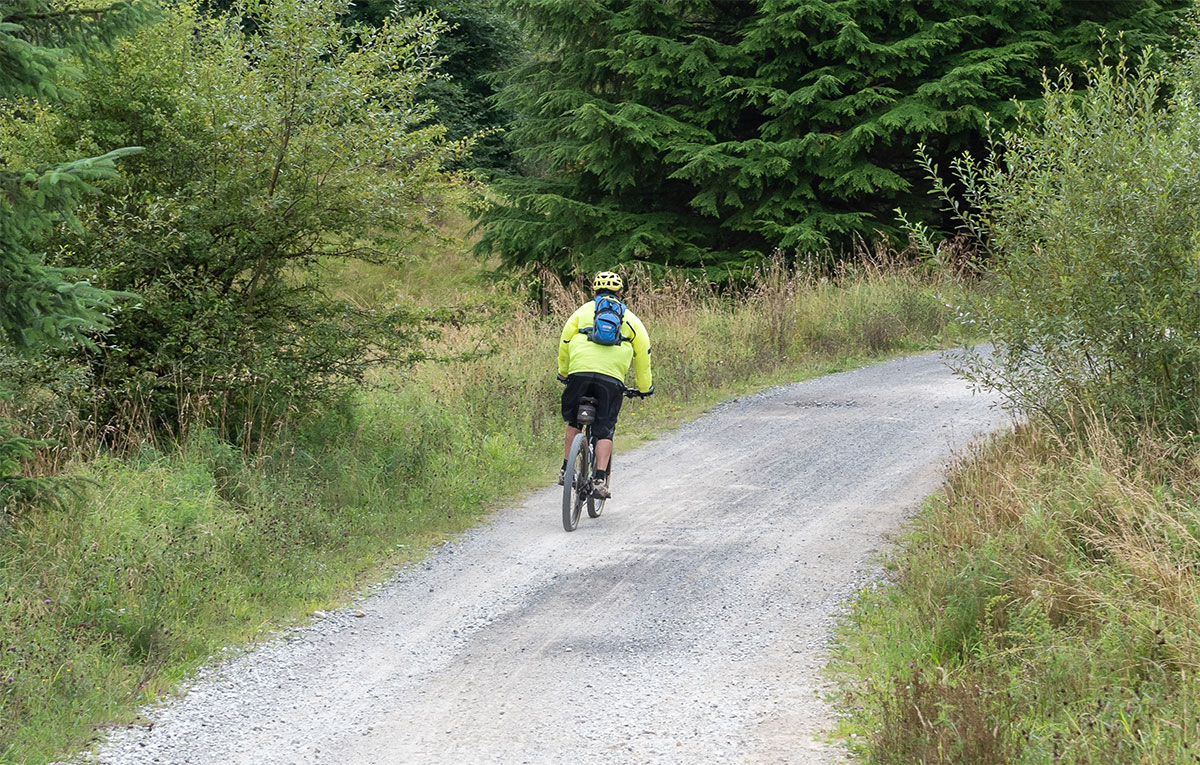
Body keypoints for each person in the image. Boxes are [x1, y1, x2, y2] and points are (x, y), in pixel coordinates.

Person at [557, 271, 653, 499]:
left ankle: (565, 470)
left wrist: (564, 373)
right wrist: (644, 387)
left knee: (573, 421)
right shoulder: (631, 319)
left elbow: (564, 341)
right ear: (620, 293)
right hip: (611, 379)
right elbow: (643, 354)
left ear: (594, 292)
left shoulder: (581, 312)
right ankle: (599, 479)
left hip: (579, 373)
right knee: (604, 429)